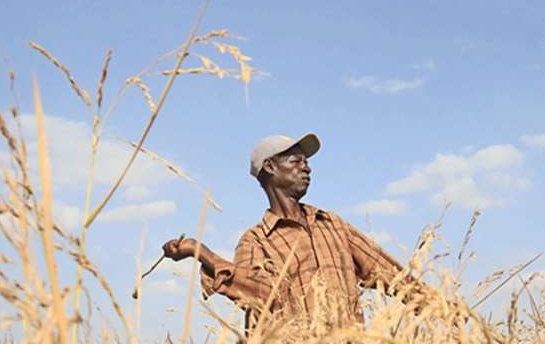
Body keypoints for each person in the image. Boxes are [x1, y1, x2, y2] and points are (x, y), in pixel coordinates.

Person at [162, 133, 422, 333]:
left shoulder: (332, 224)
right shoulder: (256, 241)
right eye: (296, 161)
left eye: (307, 162)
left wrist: (438, 304)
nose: (307, 168)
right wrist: (202, 253)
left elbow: (386, 271)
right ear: (270, 167)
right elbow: (260, 294)